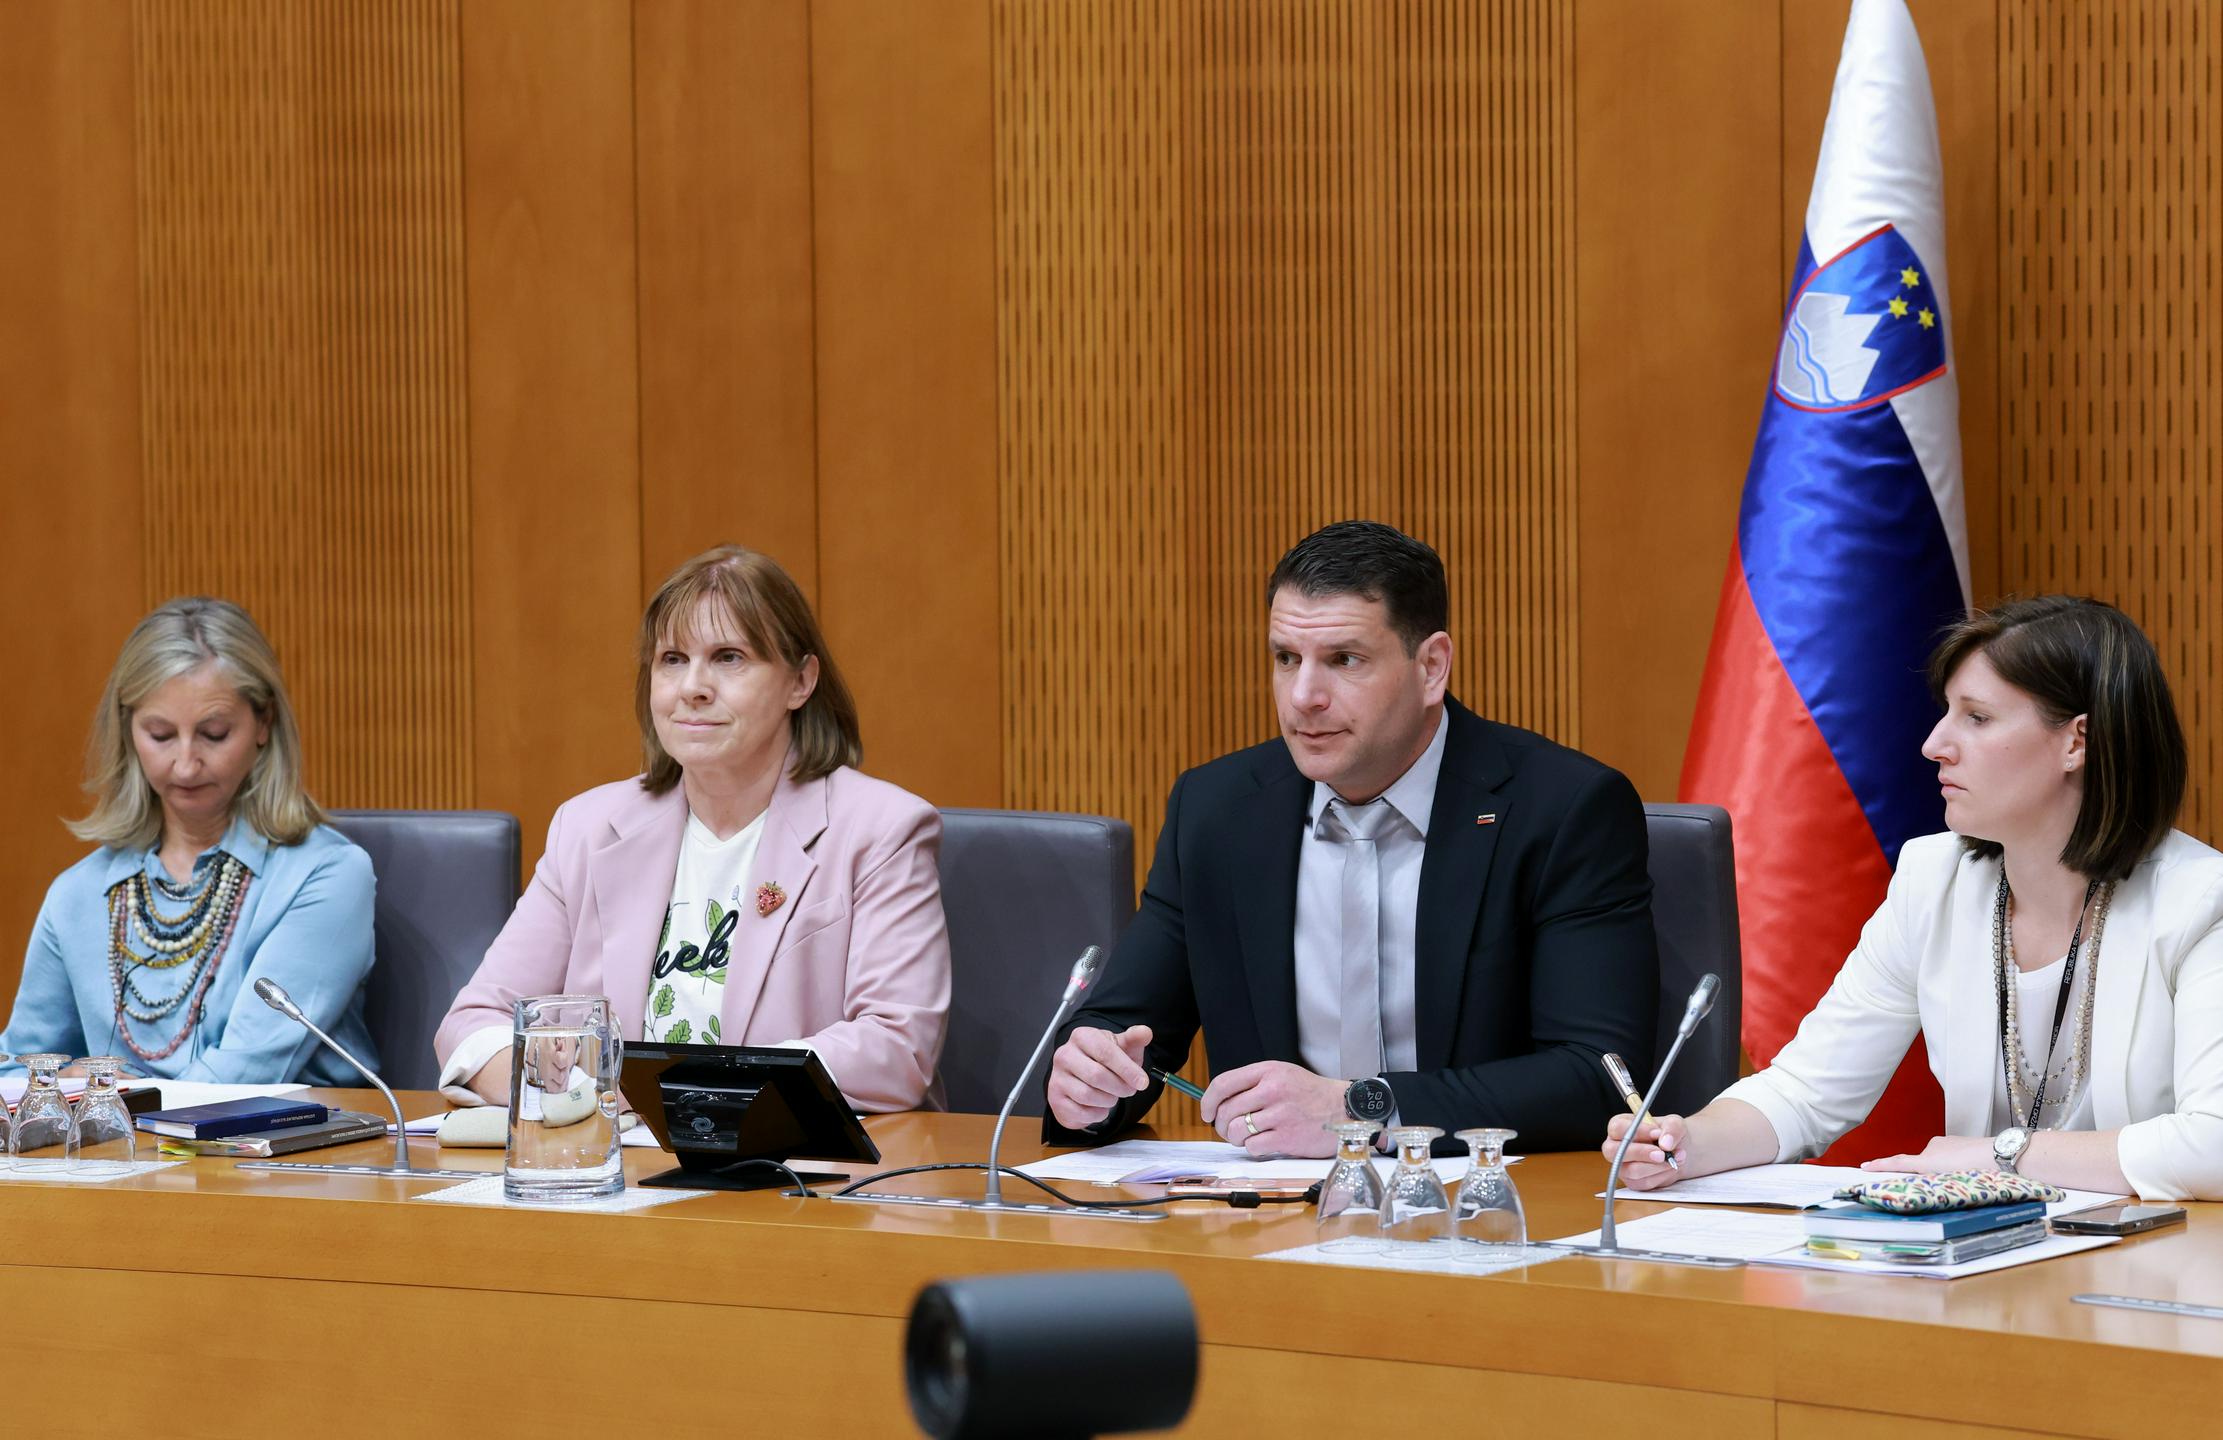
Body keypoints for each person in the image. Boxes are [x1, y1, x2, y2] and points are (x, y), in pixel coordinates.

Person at [1044, 521, 1659, 1157]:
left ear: (1431, 667)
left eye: (1344, 660)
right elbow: (1127, 1030)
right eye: (1287, 658)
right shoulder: (1218, 810)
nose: (1303, 696)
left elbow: (1600, 1076)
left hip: (1489, 1197)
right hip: (1272, 1202)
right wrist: (1088, 1085)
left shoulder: (1562, 809)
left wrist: (1363, 1109)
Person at [1606, 596, 2223, 1200]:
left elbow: (2214, 1143)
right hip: (1994, 1254)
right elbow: (1806, 1089)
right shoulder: (1934, 881)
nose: (1934, 744)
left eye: (1977, 718)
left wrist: (1996, 1155)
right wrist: (1688, 1143)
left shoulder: (2201, 901)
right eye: (1947, 712)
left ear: (2076, 742)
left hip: (2164, 1256)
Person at [436, 545, 950, 1112]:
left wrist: (684, 1087)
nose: (693, 687)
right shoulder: (587, 829)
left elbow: (897, 1046)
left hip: (796, 1157)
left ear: (800, 682)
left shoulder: (880, 831)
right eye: (673, 659)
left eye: (729, 658)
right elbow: (473, 1023)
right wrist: (549, 1077)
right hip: (620, 1157)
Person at [0, 599, 379, 1084]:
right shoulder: (78, 894)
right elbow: (17, 1072)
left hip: (281, 1134)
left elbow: (242, 1075)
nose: (185, 764)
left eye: (213, 734)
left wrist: (104, 1093)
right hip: (122, 1134)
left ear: (264, 723)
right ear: (128, 730)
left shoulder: (326, 874)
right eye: (160, 735)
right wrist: (58, 1086)